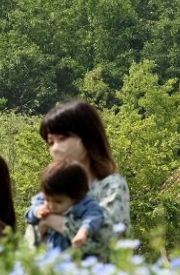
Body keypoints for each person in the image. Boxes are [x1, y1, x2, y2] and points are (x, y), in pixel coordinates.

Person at [31, 100, 130, 255]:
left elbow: (107, 239)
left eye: (63, 138)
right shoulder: (52, 188)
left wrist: (55, 223)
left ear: (87, 137)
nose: (55, 148)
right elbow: (30, 245)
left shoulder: (111, 185)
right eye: (51, 142)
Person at [26, 160, 105, 252]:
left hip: (71, 256)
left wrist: (84, 231)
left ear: (76, 197)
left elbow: (94, 216)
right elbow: (28, 215)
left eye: (58, 202)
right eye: (47, 200)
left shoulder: (82, 204)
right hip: (49, 253)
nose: (51, 206)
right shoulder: (44, 200)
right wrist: (37, 211)